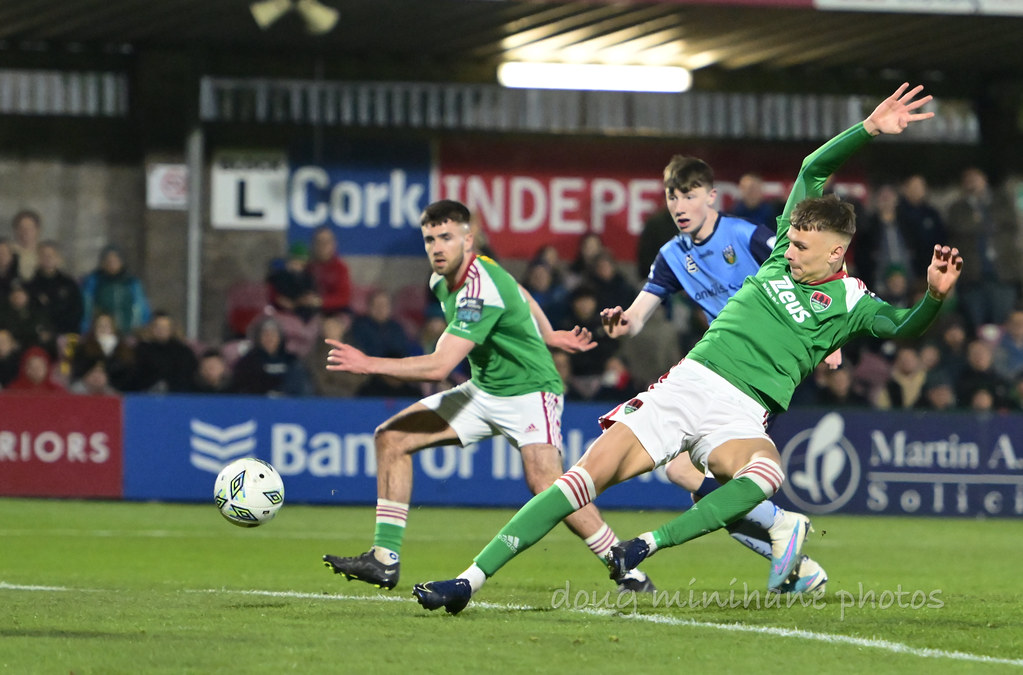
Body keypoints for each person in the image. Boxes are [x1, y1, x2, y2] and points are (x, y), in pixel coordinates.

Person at [412, 83, 962, 615]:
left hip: (743, 412)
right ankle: (467, 581)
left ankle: (674, 540)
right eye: (789, 239)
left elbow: (904, 327)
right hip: (688, 383)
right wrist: (868, 128)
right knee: (577, 482)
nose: (787, 249)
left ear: (836, 251)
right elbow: (811, 171)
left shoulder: (853, 302)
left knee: (765, 476)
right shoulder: (769, 261)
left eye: (799, 245)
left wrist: (933, 298)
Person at [321, 199, 655, 595]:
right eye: (429, 239)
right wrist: (548, 333)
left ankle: (628, 571)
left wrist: (368, 363)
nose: (436, 247)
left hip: (532, 392)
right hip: (483, 392)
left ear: (469, 239)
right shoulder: (444, 280)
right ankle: (384, 559)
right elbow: (521, 290)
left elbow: (439, 366)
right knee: (391, 437)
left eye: (446, 237)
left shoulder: (479, 291)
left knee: (547, 483)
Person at [597, 152, 828, 592]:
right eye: (672, 196)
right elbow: (639, 315)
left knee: (701, 477)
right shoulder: (671, 255)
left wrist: (824, 336)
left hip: (759, 372)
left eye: (689, 194)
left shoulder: (747, 236)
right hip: (719, 374)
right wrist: (619, 322)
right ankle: (797, 562)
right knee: (695, 479)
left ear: (712, 197)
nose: (680, 205)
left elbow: (807, 269)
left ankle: (786, 535)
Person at [944, 166, 1022, 333]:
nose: (972, 183)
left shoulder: (1001, 203)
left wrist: (980, 223)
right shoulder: (957, 208)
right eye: (968, 179)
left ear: (984, 179)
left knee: (1002, 326)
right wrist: (987, 225)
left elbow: (1012, 224)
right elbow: (958, 227)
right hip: (972, 278)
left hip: (1002, 275)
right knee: (976, 327)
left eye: (976, 178)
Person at [80, 244, 152, 334]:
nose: (112, 264)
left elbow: (141, 306)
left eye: (115, 260)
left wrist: (141, 328)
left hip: (128, 331)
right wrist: (85, 329)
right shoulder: (94, 281)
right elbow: (87, 305)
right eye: (108, 261)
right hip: (102, 333)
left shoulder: (131, 282)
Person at [26, 240, 84, 337]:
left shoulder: (69, 284)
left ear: (58, 258)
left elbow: (77, 311)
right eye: (44, 255)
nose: (48, 259)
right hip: (41, 337)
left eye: (51, 255)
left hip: (69, 334)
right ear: (38, 258)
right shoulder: (31, 286)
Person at [131, 311, 199, 393]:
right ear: (151, 328)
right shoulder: (140, 350)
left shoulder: (183, 351)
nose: (162, 330)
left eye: (165, 327)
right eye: (158, 326)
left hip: (179, 397)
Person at [306, 225, 352, 317]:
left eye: (327, 242)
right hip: (309, 311)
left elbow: (344, 298)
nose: (323, 246)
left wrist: (321, 301)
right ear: (313, 244)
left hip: (335, 312)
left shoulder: (340, 268)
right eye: (319, 242)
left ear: (334, 244)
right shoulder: (307, 266)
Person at [10, 210, 42, 282]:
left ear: (38, 230)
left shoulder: (45, 253)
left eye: (30, 228)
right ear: (15, 230)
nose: (25, 232)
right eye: (21, 228)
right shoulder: (7, 253)